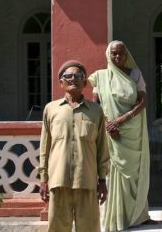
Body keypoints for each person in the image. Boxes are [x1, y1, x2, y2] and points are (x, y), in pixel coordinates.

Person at [88, 40, 153, 231]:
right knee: (112, 174)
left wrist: (122, 120)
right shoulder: (100, 77)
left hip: (132, 131)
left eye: (121, 54)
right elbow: (97, 105)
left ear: (127, 55)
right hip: (111, 132)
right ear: (109, 55)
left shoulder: (135, 74)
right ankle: (116, 218)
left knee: (134, 173)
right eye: (114, 54)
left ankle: (138, 215)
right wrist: (108, 124)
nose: (118, 57)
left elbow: (142, 102)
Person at [38, 60, 110, 232]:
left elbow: (102, 148)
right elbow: (44, 147)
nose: (73, 79)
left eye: (78, 76)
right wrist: (43, 179)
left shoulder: (95, 111)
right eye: (67, 76)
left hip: (87, 180)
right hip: (58, 180)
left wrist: (102, 180)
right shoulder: (51, 109)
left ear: (85, 83)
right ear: (61, 83)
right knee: (57, 227)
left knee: (89, 227)